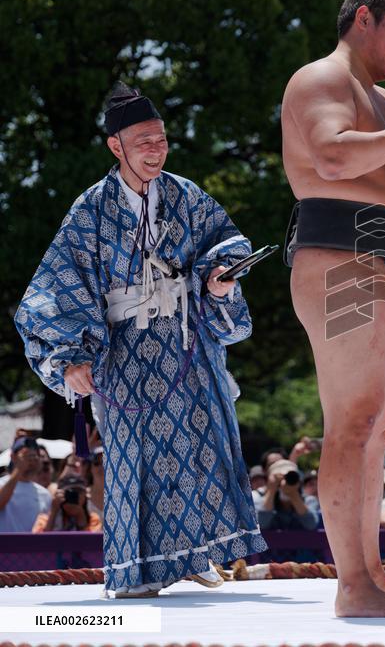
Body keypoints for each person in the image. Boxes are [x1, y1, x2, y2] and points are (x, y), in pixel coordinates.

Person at [14, 83, 266, 597]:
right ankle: (138, 571)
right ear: (116, 146)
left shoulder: (186, 194)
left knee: (198, 448)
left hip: (185, 346)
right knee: (133, 462)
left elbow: (223, 240)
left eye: (162, 139)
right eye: (144, 140)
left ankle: (192, 556)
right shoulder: (89, 211)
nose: (156, 149)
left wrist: (219, 274)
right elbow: (53, 289)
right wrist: (69, 360)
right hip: (124, 352)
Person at [281, 0, 385, 617]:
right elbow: (331, 157)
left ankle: (371, 571)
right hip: (340, 252)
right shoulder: (319, 78)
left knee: (379, 425)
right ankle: (351, 585)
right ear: (364, 18)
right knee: (350, 423)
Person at [0, 437, 53, 532]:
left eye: (34, 455)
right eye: (26, 456)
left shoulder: (45, 494)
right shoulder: (1, 484)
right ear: (13, 457)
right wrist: (19, 468)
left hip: (33, 546)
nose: (31, 460)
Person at [255, 459, 320, 530]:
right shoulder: (260, 500)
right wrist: (271, 490)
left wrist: (293, 494)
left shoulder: (309, 500)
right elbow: (261, 523)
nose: (285, 482)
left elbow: (311, 524)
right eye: (280, 478)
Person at [32, 473, 101, 532]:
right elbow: (40, 543)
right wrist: (53, 513)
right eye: (69, 492)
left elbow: (92, 543)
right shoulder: (44, 519)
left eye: (79, 491)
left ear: (85, 495)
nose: (74, 495)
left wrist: (81, 517)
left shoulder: (93, 519)